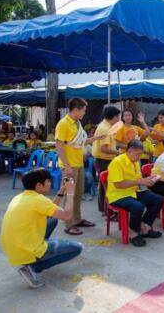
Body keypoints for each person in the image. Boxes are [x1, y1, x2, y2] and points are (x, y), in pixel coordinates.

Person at [0, 168, 83, 288]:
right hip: (25, 249)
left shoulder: (21, 197)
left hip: (12, 248)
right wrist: (70, 193)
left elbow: (50, 211)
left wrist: (61, 191)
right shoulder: (39, 200)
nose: (50, 183)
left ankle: (33, 258)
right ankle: (33, 267)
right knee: (77, 248)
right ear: (39, 185)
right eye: (48, 181)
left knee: (52, 220)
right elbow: (67, 216)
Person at [55, 98, 105, 236]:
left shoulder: (77, 123)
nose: (84, 113)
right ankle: (68, 223)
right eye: (83, 110)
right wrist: (67, 166)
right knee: (69, 194)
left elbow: (81, 142)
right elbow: (58, 145)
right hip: (70, 165)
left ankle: (76, 219)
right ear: (76, 110)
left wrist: (95, 138)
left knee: (78, 193)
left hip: (78, 163)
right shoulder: (63, 124)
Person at [106, 139, 164, 247]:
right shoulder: (117, 162)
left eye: (141, 154)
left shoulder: (135, 162)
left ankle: (145, 226)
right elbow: (118, 185)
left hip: (133, 191)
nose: (139, 157)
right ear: (129, 151)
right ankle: (133, 232)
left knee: (158, 199)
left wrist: (148, 180)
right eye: (137, 154)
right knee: (138, 206)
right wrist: (139, 181)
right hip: (118, 195)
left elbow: (138, 179)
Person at [92, 106, 122, 215]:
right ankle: (109, 210)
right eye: (117, 117)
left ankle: (105, 209)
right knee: (108, 186)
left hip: (104, 159)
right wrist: (118, 153)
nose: (118, 119)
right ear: (113, 117)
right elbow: (104, 148)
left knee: (104, 185)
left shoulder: (107, 126)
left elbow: (112, 144)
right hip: (103, 160)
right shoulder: (104, 128)